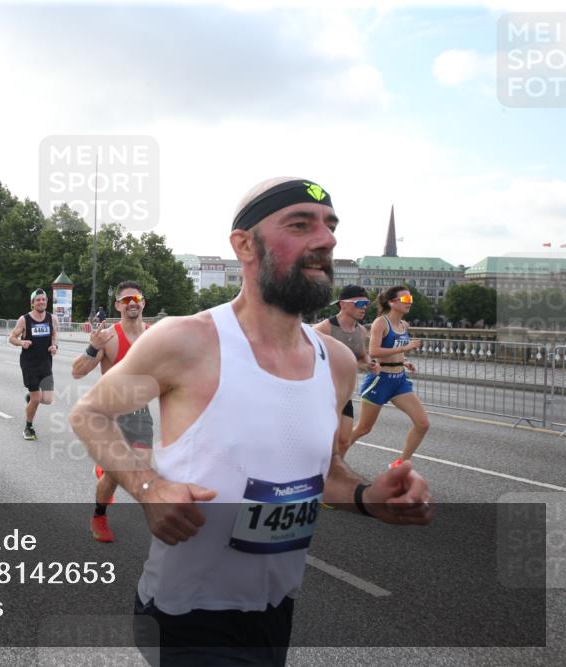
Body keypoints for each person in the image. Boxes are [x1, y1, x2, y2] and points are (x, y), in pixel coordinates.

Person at [69, 177, 432, 665]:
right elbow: (89, 412)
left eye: (329, 227)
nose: (324, 239)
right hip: (186, 614)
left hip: (275, 610)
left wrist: (368, 498)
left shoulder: (337, 363)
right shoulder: (188, 342)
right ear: (243, 244)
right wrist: (149, 488)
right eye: (300, 224)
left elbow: (326, 471)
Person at [72, 281, 152, 543]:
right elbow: (77, 371)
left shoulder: (154, 337)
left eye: (136, 298)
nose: (132, 303)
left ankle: (105, 472)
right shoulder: (108, 337)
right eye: (126, 300)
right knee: (117, 471)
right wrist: (93, 347)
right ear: (118, 305)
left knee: (141, 466)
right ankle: (99, 515)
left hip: (140, 413)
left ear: (143, 303)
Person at [347, 285, 429, 467]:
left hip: (399, 380)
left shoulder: (404, 324)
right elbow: (374, 351)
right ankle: (333, 458)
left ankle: (401, 464)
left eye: (411, 300)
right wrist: (405, 348)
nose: (410, 303)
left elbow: (395, 348)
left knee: (422, 424)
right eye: (406, 300)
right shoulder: (381, 323)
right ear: (392, 302)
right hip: (380, 380)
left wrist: (403, 360)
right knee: (363, 428)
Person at [313, 285, 379, 458]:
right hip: (323, 393)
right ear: (343, 304)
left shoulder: (361, 331)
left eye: (367, 303)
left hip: (344, 393)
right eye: (359, 303)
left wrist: (370, 364)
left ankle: (334, 472)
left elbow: (362, 357)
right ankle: (322, 474)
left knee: (344, 440)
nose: (364, 307)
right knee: (327, 440)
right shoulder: (323, 328)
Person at [9, 288, 59, 440]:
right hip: (29, 363)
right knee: (36, 398)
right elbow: (11, 338)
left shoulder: (52, 319)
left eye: (43, 299)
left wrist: (54, 346)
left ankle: (30, 399)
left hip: (46, 362)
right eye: (38, 300)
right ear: (32, 303)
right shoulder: (24, 319)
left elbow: (54, 334)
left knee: (48, 399)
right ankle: (28, 427)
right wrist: (21, 342)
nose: (41, 302)